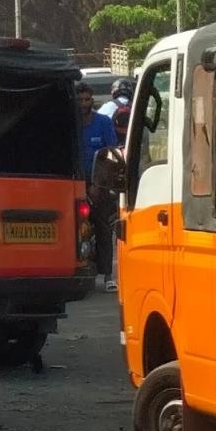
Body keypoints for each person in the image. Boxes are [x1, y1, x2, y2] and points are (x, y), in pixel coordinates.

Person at [89, 101, 130, 290]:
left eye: (86, 99)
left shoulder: (103, 122)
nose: (83, 104)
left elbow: (110, 155)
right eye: (79, 100)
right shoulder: (71, 121)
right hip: (75, 183)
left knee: (103, 228)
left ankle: (107, 275)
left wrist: (98, 184)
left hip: (101, 184)